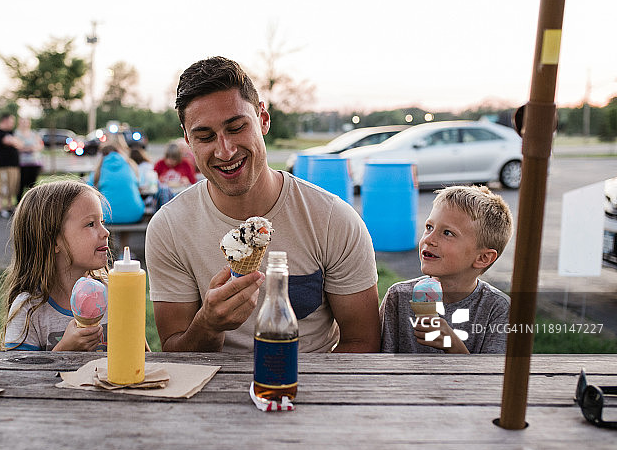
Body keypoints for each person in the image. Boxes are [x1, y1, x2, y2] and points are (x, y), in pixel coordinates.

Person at [145, 56, 380, 353]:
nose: (225, 151)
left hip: (311, 391)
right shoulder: (169, 228)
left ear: (263, 120)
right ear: (188, 141)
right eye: (205, 136)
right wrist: (208, 324)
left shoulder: (332, 219)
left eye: (236, 127)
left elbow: (364, 342)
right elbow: (174, 350)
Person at [379, 185, 513, 354]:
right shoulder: (398, 297)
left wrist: (452, 345)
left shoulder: (498, 309)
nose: (430, 239)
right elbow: (379, 365)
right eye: (429, 227)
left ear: (482, 258)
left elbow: (492, 378)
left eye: (447, 233)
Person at [0, 180, 110, 351]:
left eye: (102, 222)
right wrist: (64, 350)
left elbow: (143, 359)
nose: (105, 232)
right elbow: (19, 375)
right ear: (53, 241)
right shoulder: (29, 310)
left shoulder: (113, 293)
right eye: (90, 224)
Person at [91, 143, 145, 224]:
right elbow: (141, 185)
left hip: (107, 216)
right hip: (134, 215)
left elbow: (89, 191)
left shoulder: (99, 170)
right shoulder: (130, 165)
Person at [0, 113, 22, 219]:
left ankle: (9, 207)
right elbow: (11, 142)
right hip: (4, 165)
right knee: (3, 187)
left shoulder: (11, 132)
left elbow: (19, 144)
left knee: (12, 186)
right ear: (4, 121)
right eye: (11, 121)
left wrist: (15, 142)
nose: (12, 124)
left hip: (14, 164)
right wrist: (14, 141)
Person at [13, 116, 44, 202]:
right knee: (21, 184)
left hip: (34, 162)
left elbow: (40, 145)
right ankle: (19, 203)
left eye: (26, 122)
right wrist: (30, 148)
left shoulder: (33, 133)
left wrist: (31, 148)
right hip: (22, 163)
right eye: (23, 122)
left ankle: (32, 204)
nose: (25, 124)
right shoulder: (16, 133)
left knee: (32, 185)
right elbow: (18, 146)